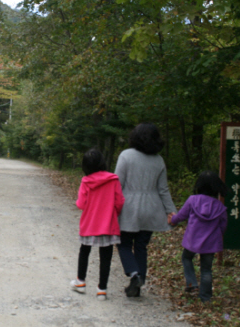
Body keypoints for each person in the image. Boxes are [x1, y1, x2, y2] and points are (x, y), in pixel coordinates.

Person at [114, 123, 177, 297]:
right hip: (151, 208)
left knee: (124, 244)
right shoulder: (158, 160)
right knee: (141, 246)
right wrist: (171, 212)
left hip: (129, 207)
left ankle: (134, 274)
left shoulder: (126, 155)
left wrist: (110, 206)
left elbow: (117, 184)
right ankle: (139, 281)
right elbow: (163, 189)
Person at [70, 148, 125, 300]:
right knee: (106, 256)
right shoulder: (113, 180)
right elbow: (119, 201)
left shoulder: (86, 181)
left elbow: (81, 204)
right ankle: (102, 289)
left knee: (84, 251)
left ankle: (80, 282)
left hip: (89, 223)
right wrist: (114, 213)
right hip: (108, 224)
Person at [169, 170, 227, 303]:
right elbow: (223, 225)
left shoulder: (192, 200)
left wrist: (173, 219)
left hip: (192, 240)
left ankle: (192, 283)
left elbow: (181, 216)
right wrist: (217, 236)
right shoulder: (220, 206)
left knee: (186, 258)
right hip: (211, 243)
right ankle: (205, 298)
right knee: (206, 269)